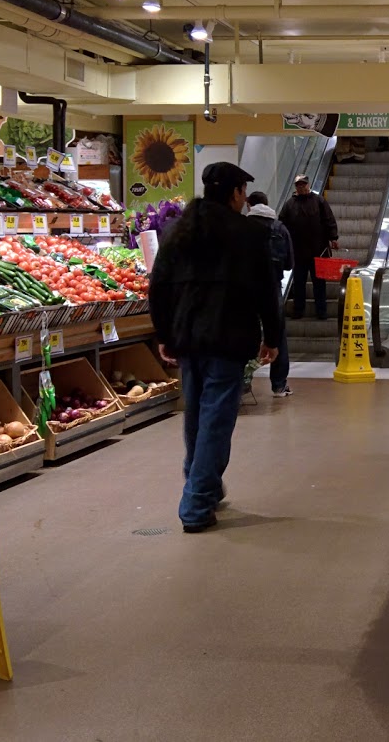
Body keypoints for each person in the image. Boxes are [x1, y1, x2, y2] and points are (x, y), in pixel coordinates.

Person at [149, 162, 282, 532]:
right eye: (242, 192)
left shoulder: (179, 230)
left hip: (188, 338)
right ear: (236, 193)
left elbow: (158, 285)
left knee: (196, 414)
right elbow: (265, 292)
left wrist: (164, 333)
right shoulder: (248, 233)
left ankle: (198, 477)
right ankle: (196, 503)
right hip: (228, 337)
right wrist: (272, 338)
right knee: (215, 421)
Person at [246, 191, 295, 398]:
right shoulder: (280, 228)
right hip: (273, 287)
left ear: (249, 205)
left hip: (244, 289)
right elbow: (290, 263)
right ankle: (279, 385)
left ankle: (240, 384)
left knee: (244, 332)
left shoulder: (242, 227)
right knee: (277, 334)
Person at [277, 174, 339, 320]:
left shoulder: (319, 201)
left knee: (319, 282)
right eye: (299, 185)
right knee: (299, 282)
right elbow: (282, 224)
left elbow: (328, 219)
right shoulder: (289, 205)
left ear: (308, 185)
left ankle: (321, 311)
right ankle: (298, 310)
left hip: (318, 250)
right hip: (298, 252)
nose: (301, 187)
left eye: (303, 184)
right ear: (295, 187)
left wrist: (333, 237)